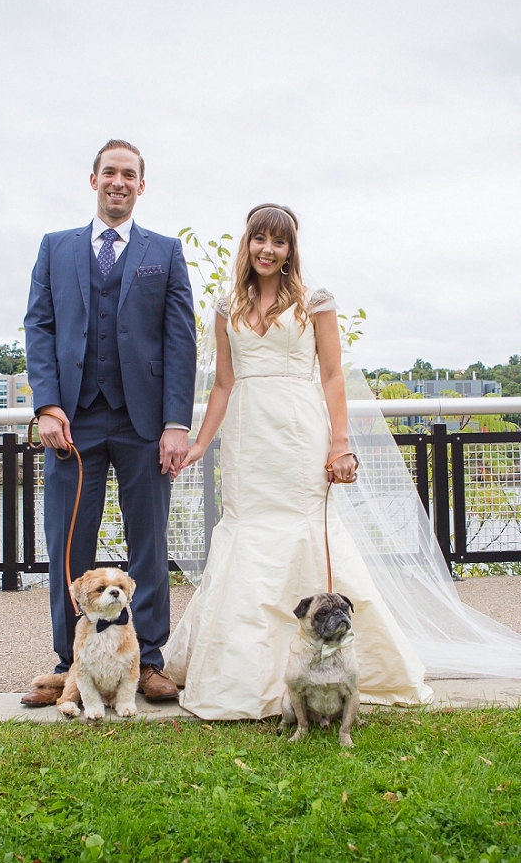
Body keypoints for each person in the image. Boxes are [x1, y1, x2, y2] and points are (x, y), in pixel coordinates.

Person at [163, 203, 433, 719]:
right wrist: (200, 443)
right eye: (259, 239)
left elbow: (332, 376)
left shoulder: (316, 302)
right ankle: (244, 675)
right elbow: (223, 383)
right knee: (249, 532)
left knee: (306, 527)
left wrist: (340, 442)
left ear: (290, 250)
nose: (268, 249)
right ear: (248, 244)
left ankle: (333, 661)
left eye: (279, 242)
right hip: (248, 437)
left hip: (299, 432)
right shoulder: (227, 307)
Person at [21, 139, 197, 705]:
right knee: (69, 544)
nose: (118, 182)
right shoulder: (55, 247)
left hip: (143, 422)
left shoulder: (164, 252)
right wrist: (47, 405)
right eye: (109, 173)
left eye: (129, 175)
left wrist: (176, 422)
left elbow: (180, 343)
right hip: (72, 422)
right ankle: (67, 666)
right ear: (92, 179)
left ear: (141, 186)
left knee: (148, 545)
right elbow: (40, 327)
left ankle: (146, 662)